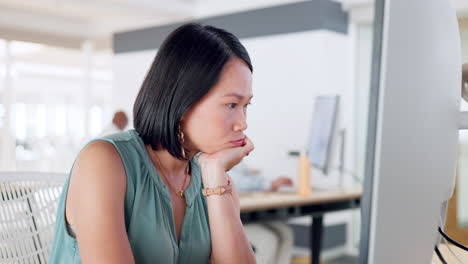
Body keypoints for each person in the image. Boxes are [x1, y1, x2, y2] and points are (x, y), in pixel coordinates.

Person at [49, 23, 256, 263]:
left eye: (246, 106)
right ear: (183, 101)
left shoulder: (216, 181)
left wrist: (215, 174)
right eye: (232, 105)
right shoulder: (103, 161)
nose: (243, 123)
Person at [230, 163, 294, 264]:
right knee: (268, 239)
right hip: (226, 223)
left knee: (285, 233)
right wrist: (270, 184)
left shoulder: (237, 161)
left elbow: (249, 176)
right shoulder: (214, 158)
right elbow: (235, 180)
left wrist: (271, 183)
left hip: (242, 218)